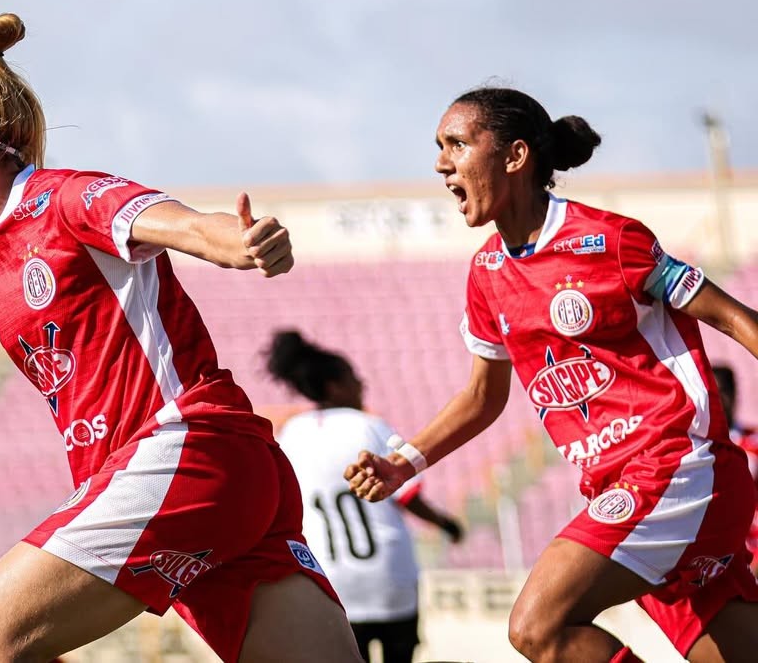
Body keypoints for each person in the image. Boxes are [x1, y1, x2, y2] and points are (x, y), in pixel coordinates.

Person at [0, 12, 360, 663]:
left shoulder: (63, 199)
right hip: (225, 480)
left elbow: (182, 224)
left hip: (186, 451)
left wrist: (240, 242)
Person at [344, 86, 758, 663]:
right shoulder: (487, 273)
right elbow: (482, 398)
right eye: (440, 147)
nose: (441, 163)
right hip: (620, 487)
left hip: (676, 468)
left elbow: (734, 317)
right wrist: (403, 462)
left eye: (457, 144)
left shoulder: (611, 241)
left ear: (515, 156)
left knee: (537, 626)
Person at [266, 330, 464, 663]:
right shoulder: (369, 426)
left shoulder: (291, 434)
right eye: (354, 378)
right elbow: (408, 495)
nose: (362, 385)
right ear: (334, 386)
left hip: (331, 579)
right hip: (389, 576)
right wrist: (446, 524)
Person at [711, 364, 758, 576]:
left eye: (722, 392)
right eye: (711, 393)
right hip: (715, 557)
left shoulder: (753, 443)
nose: (717, 400)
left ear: (733, 395)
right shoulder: (692, 446)